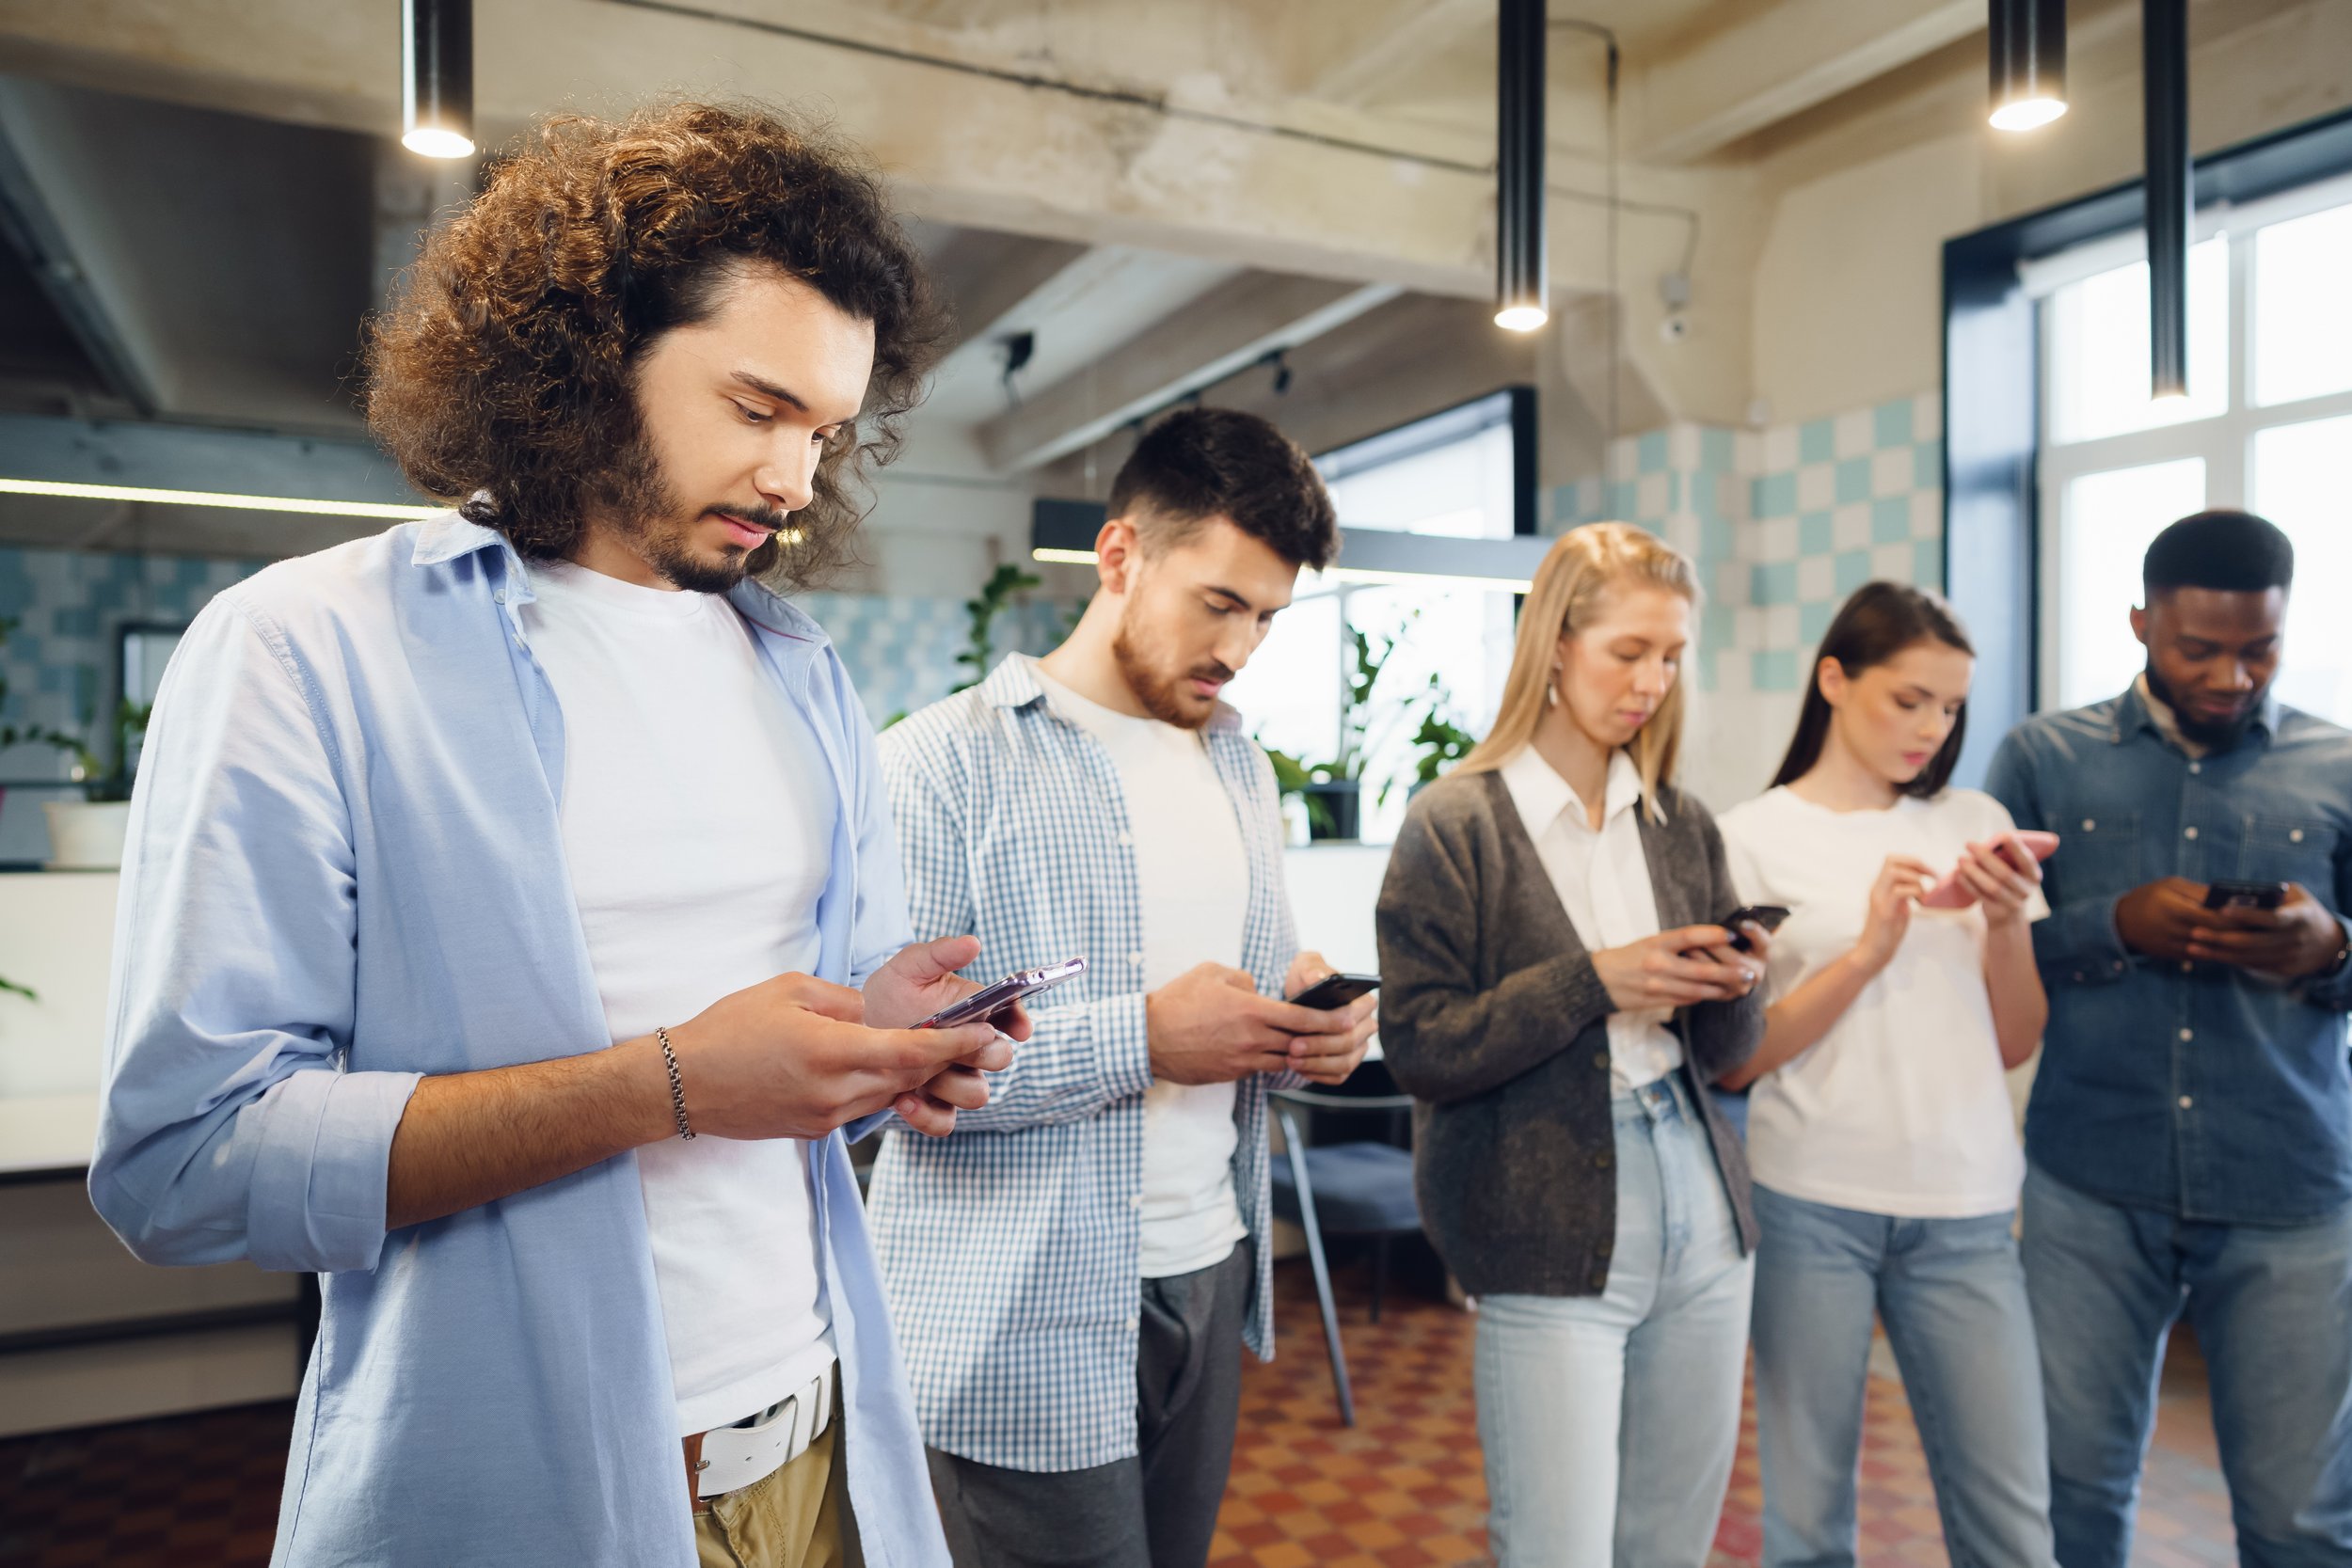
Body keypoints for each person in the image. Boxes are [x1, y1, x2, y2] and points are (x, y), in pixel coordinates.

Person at [87, 103, 1018, 1568]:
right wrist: (670, 1084)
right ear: (586, 354)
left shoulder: (801, 672)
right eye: (757, 406)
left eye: (827, 433)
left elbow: (773, 1058)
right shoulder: (307, 649)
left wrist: (876, 1042)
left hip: (829, 1446)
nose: (793, 480)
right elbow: (187, 1159)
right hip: (527, 1490)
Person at [868, 407, 1377, 1568]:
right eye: (1218, 603)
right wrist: (1144, 1038)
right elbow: (887, 1071)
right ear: (1120, 555)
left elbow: (1263, 967)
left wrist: (1311, 1020)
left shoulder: (1242, 763)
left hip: (1209, 1267)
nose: (1241, 645)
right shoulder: (941, 764)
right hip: (1014, 1310)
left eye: (1265, 616)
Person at [1375, 521, 1768, 1568]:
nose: (1652, 680)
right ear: (1555, 645)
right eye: (1627, 651)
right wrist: (1594, 980)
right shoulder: (1453, 823)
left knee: (1668, 1544)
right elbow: (1418, 1047)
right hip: (1539, 1219)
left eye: (1672, 655)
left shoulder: (1680, 821)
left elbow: (1730, 1051)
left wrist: (1737, 977)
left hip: (1704, 1208)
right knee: (1556, 1545)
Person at [1985, 510, 2352, 1568]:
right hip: (2087, 1179)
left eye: (2260, 647)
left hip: (2289, 1185)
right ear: (2141, 622)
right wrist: (2112, 924)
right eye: (2200, 647)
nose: (2233, 674)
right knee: (2070, 1501)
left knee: (2301, 1521)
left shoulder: (2339, 766)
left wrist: (2330, 946)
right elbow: (1975, 951)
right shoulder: (2043, 757)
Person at [1715, 582, 2056, 1568]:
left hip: (1969, 1207)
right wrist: (1865, 950)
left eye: (1948, 707)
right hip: (1808, 1202)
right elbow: (1737, 1058)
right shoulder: (1750, 835)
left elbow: (2013, 1040)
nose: (1930, 727)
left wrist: (1999, 921)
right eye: (1908, 698)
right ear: (1834, 677)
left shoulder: (1977, 818)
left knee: (2011, 1528)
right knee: (1808, 1525)